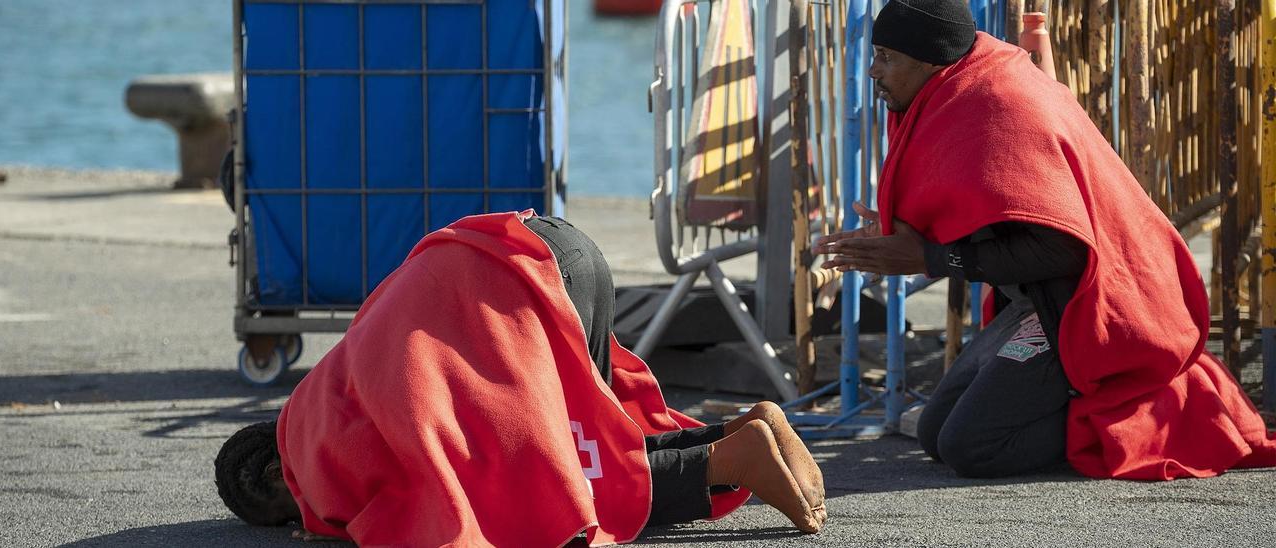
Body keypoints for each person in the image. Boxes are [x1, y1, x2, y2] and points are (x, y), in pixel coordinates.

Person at [815, 0, 1276, 480]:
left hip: (1090, 305)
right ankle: (1099, 397)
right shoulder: (958, 90)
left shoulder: (999, 105)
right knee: (934, 433)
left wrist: (930, 257)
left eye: (887, 55)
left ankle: (1143, 407)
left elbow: (1065, 248)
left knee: (970, 447)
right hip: (1038, 302)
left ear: (929, 60)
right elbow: (982, 207)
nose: (873, 70)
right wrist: (905, 234)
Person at [215, 213, 826, 546]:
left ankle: (730, 461)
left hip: (511, 290)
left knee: (559, 486)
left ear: (273, 475)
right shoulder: (324, 388)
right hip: (544, 246)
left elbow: (401, 505)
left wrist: (325, 523)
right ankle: (744, 428)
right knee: (588, 446)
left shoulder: (310, 448)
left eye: (280, 511)